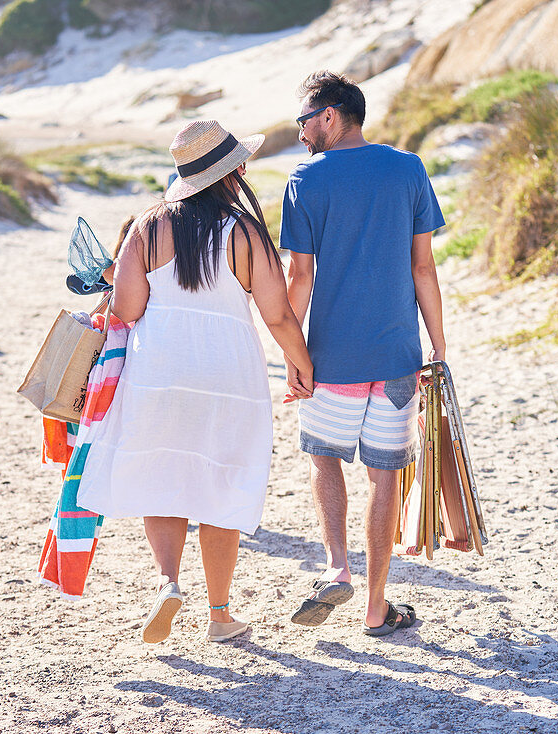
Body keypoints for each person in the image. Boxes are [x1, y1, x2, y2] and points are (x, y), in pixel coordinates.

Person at [76, 120, 314, 644]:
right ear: (235, 171)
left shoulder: (147, 225)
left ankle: (167, 583)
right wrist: (301, 363)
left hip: (158, 370)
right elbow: (276, 315)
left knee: (162, 478)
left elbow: (128, 307)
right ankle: (221, 614)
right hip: (228, 372)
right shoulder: (245, 231)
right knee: (221, 483)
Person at [280, 70, 447, 637]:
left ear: (330, 115)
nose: (300, 133)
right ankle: (377, 608)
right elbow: (423, 268)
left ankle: (336, 566)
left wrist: (292, 353)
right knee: (384, 479)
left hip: (331, 357)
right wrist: (438, 350)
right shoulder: (409, 169)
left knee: (325, 459)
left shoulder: (305, 179)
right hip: (398, 355)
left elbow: (300, 278)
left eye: (304, 120)